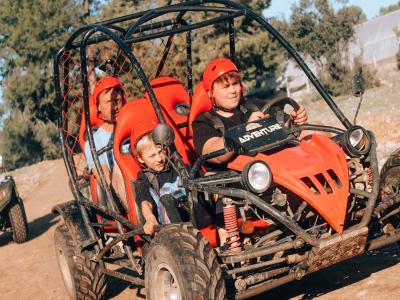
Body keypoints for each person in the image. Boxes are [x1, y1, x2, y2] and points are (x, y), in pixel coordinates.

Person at [192, 57, 308, 169]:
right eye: (226, 87)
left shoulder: (253, 105)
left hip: (274, 167)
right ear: (210, 93)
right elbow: (216, 156)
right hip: (238, 180)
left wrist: (294, 120)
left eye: (235, 84)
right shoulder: (203, 122)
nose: (233, 91)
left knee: (316, 131)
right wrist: (245, 130)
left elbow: (283, 124)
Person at [84, 76, 128, 210]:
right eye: (108, 102)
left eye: (117, 100)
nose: (114, 106)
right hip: (122, 191)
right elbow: (105, 179)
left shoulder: (133, 127)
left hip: (147, 180)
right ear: (98, 107)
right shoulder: (93, 142)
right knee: (118, 169)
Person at [132, 131, 187, 235]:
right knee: (167, 199)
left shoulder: (176, 165)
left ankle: (224, 236)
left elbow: (194, 176)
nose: (159, 159)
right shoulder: (144, 177)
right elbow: (144, 201)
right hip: (169, 224)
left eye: (161, 152)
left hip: (193, 213)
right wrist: (150, 219)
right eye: (152, 156)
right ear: (141, 159)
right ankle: (177, 238)